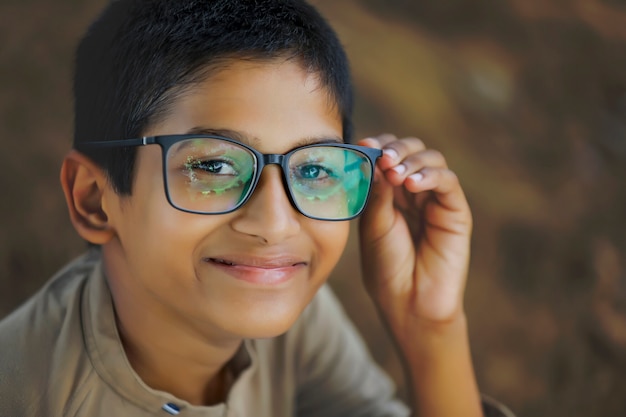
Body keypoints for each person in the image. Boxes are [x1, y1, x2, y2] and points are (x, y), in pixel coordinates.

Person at [0, 0, 514, 416]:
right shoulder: (25, 392)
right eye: (215, 168)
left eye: (313, 170)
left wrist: (430, 329)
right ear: (95, 199)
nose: (275, 225)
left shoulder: (292, 315)